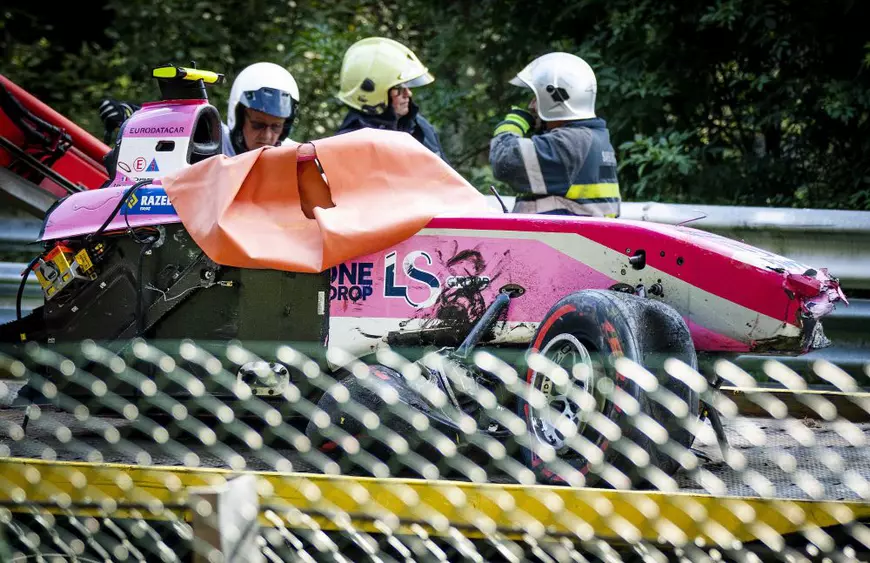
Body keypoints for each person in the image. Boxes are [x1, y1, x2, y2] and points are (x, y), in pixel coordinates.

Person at [489, 52, 621, 217]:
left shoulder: (570, 144)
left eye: (536, 98)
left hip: (562, 242)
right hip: (572, 241)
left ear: (557, 100)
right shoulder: (594, 139)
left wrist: (514, 123)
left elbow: (503, 160)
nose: (531, 106)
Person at [97, 62, 300, 157]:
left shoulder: (297, 156)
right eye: (257, 124)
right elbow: (175, 122)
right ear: (237, 117)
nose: (266, 136)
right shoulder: (212, 137)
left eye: (276, 127)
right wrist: (128, 115)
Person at [335, 36, 447, 161]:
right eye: (399, 88)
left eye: (408, 86)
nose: (408, 94)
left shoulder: (420, 128)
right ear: (372, 92)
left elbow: (449, 178)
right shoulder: (351, 145)